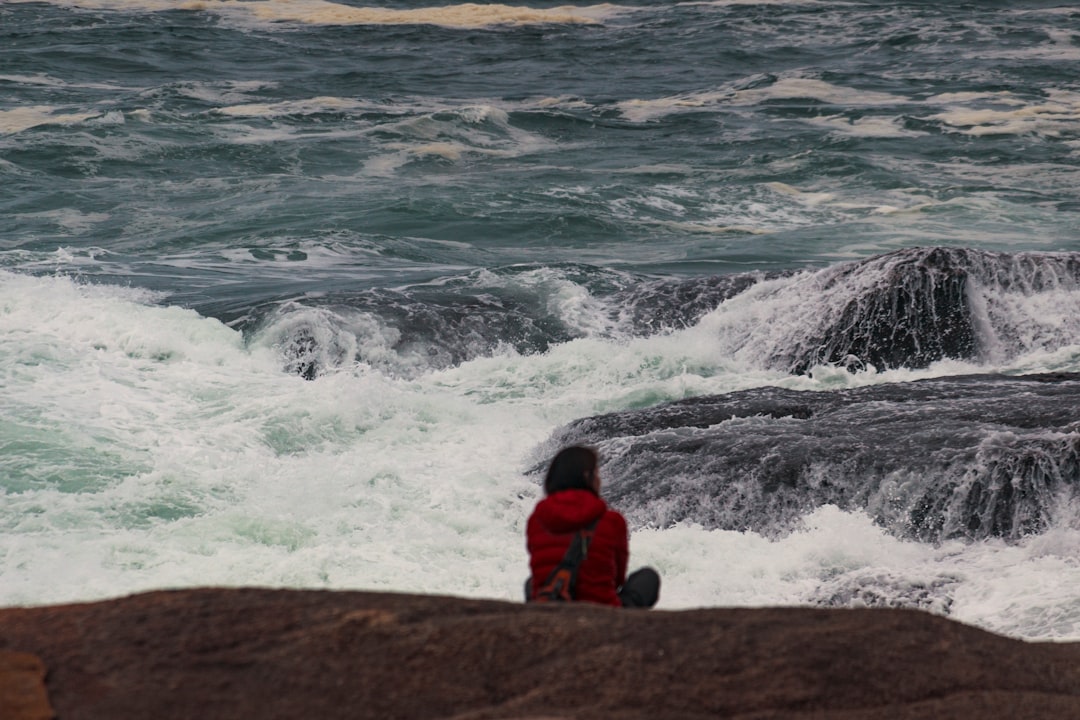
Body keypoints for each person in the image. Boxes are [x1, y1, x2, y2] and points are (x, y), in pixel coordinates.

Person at [526, 445, 660, 608]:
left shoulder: (536, 519)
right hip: (602, 608)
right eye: (596, 473)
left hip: (550, 603)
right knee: (648, 577)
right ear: (586, 476)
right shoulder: (612, 520)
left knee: (531, 582)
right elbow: (617, 579)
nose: (599, 479)